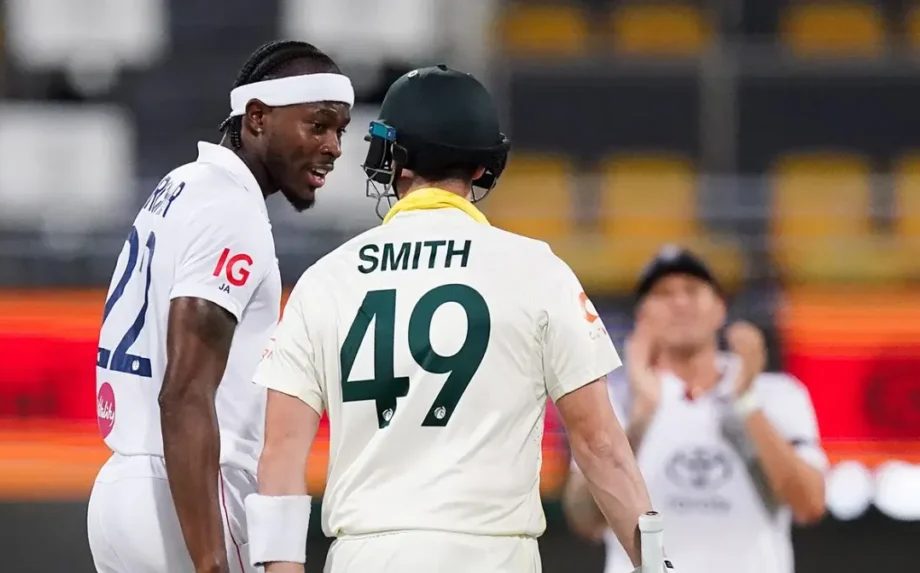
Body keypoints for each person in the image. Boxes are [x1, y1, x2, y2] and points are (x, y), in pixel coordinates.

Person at [246, 65, 661, 573]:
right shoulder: (537, 270)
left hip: (366, 555)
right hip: (494, 554)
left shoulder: (324, 280)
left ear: (390, 160)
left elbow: (280, 456)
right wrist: (659, 563)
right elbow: (600, 447)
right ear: (485, 168)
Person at [86, 40, 353, 573]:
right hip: (184, 497)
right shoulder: (232, 208)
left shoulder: (181, 183)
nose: (334, 147)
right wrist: (209, 560)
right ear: (257, 118)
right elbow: (184, 392)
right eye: (317, 125)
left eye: (340, 130)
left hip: (121, 491)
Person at [562, 246, 828, 573]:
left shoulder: (775, 393)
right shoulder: (612, 398)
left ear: (720, 308)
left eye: (693, 290)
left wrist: (745, 403)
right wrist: (641, 419)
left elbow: (810, 505)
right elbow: (583, 519)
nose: (680, 302)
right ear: (642, 316)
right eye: (663, 293)